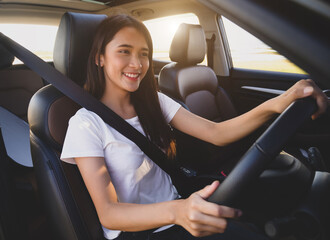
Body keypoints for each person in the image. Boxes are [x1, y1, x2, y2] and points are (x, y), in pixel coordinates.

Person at [60, 14, 328, 240]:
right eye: (124, 51)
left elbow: (217, 133)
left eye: (144, 53)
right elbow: (109, 213)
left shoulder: (154, 102)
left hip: (184, 209)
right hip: (146, 231)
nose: (137, 63)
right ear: (99, 58)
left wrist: (279, 102)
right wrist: (178, 211)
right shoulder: (86, 124)